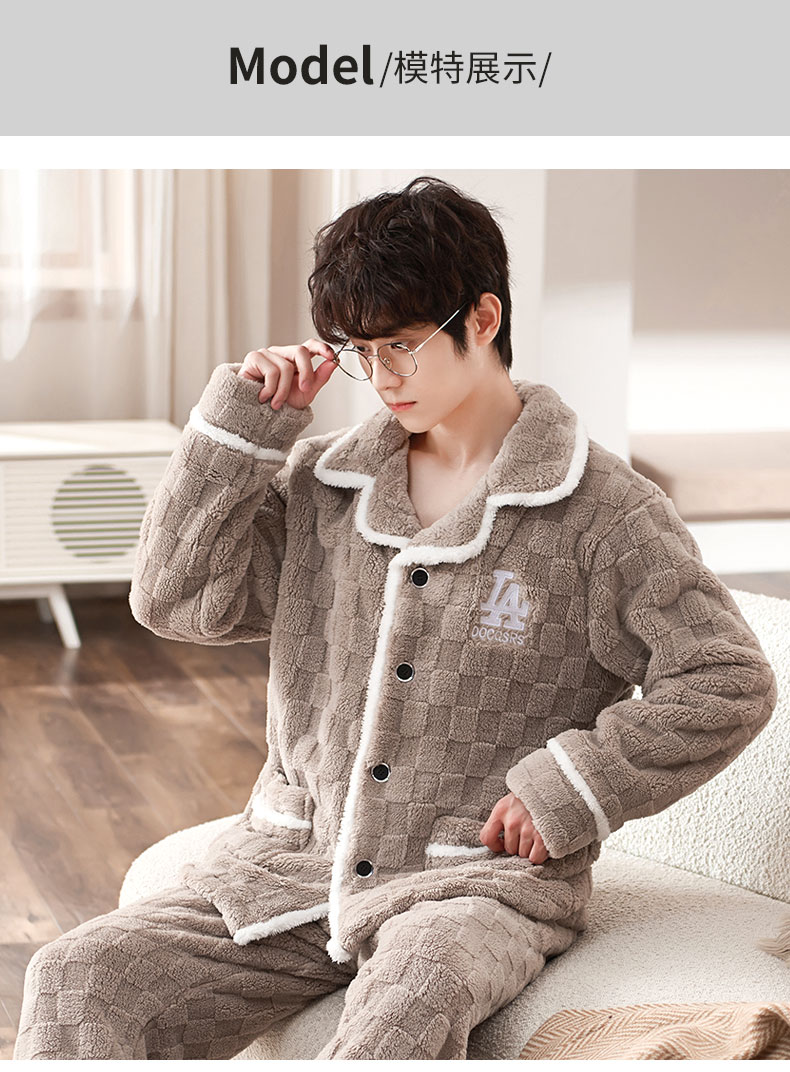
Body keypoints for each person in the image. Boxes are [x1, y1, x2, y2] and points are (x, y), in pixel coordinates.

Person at [13, 175, 777, 1060]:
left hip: (475, 886)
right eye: (360, 352)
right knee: (77, 976)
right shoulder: (324, 485)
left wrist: (571, 787)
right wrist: (240, 430)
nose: (380, 379)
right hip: (294, 866)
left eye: (402, 347)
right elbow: (176, 600)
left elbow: (725, 677)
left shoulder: (604, 514)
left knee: (405, 1004)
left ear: (482, 318)